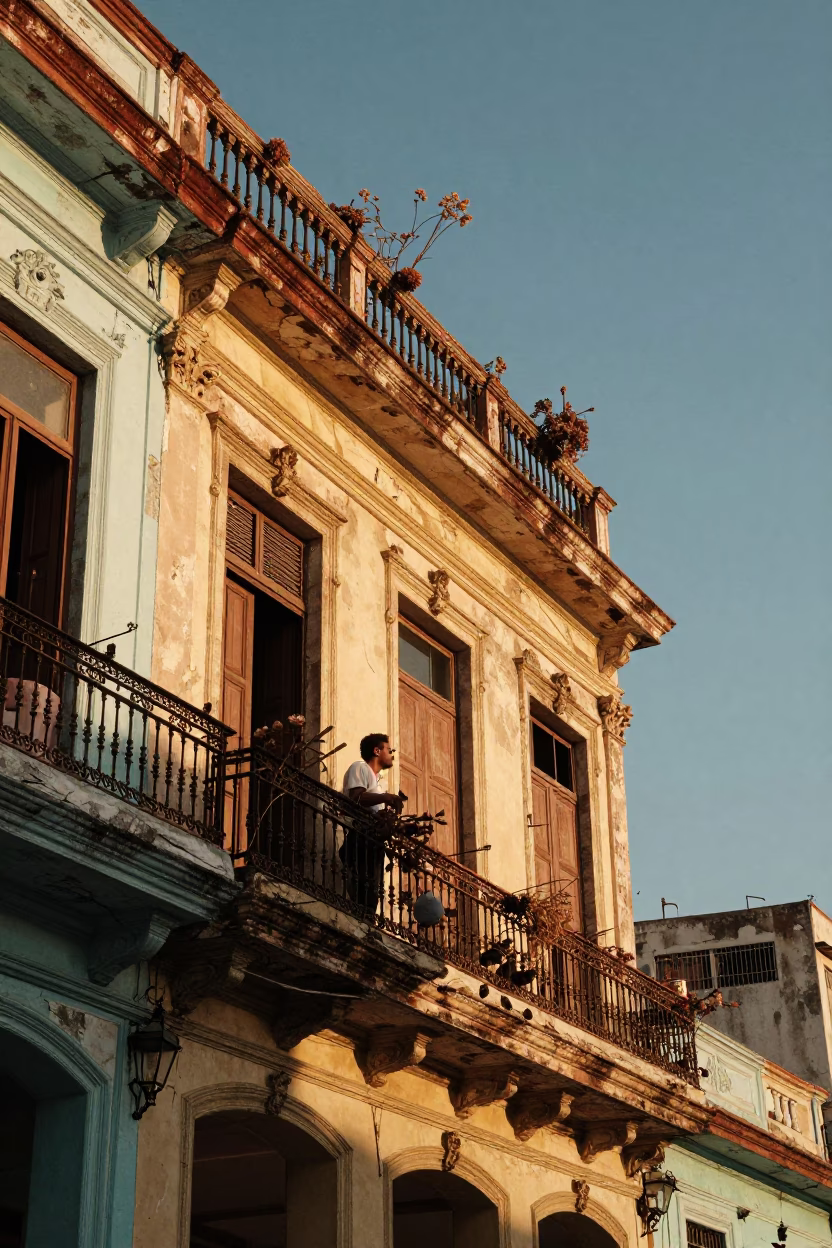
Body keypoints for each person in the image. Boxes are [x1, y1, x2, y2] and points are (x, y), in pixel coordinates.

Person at [340, 733, 403, 909]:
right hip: (360, 838)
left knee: (371, 894)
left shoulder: (377, 782)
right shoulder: (360, 767)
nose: (392, 754)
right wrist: (386, 797)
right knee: (363, 889)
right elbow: (356, 798)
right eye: (390, 750)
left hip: (372, 842)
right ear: (377, 750)